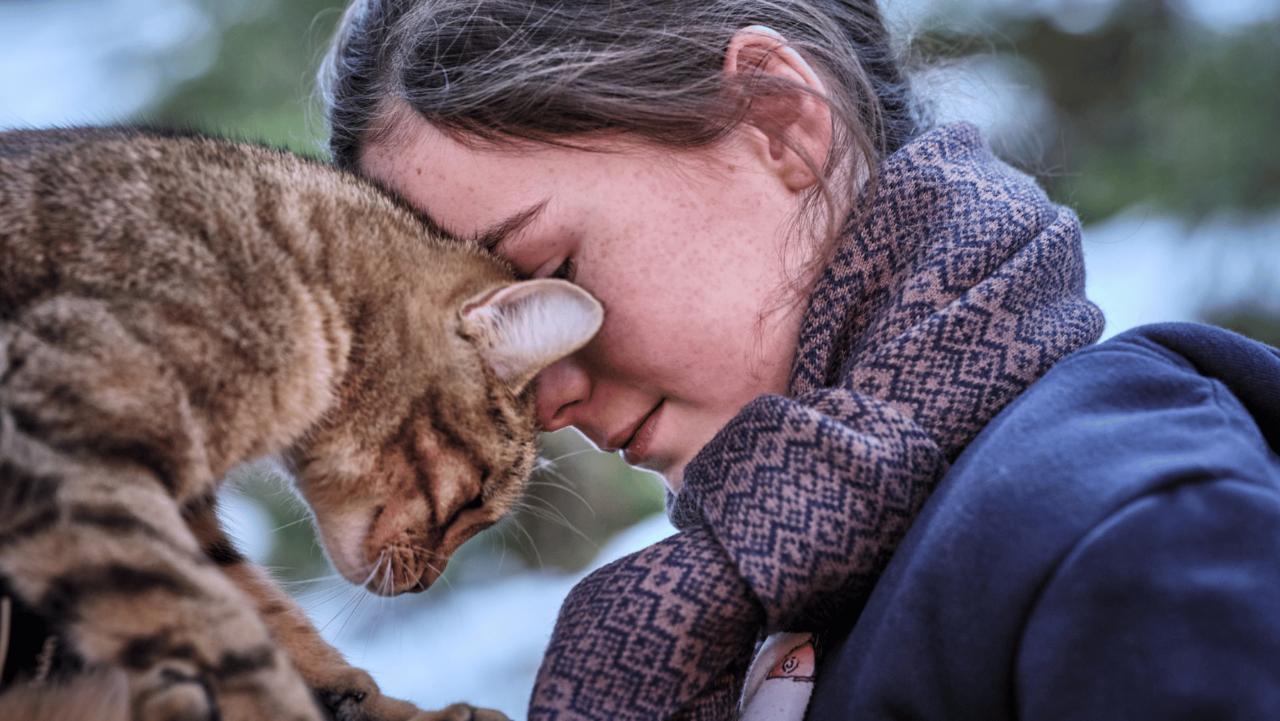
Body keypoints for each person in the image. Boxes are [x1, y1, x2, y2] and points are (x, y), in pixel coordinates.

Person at [318, 1, 1280, 719]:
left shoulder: (1124, 524)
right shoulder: (765, 609)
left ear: (778, 118)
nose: (542, 399)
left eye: (548, 272)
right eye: (485, 349)